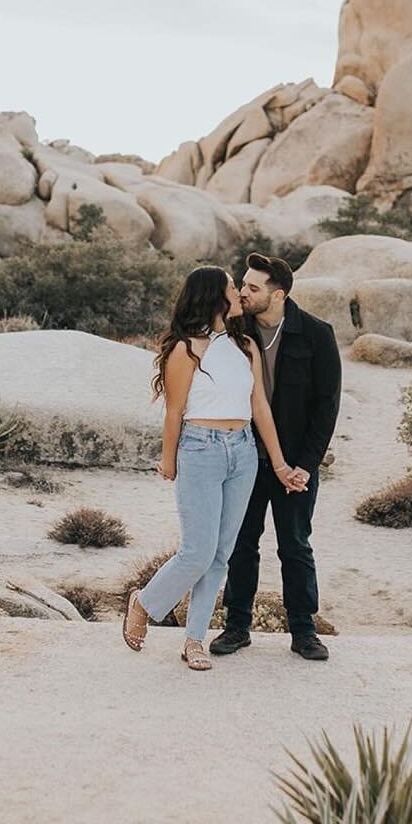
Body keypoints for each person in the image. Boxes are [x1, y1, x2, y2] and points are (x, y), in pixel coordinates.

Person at [121, 264, 307, 671]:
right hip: (199, 450)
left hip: (242, 453)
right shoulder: (183, 350)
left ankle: (194, 641)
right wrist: (168, 460)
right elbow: (174, 412)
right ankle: (145, 603)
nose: (240, 293)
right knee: (197, 551)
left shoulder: (246, 346)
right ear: (213, 297)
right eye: (232, 288)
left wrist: (278, 463)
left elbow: (259, 406)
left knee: (221, 554)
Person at [211, 252, 341, 661]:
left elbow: (327, 406)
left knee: (295, 546)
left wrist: (306, 465)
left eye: (253, 287)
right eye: (243, 286)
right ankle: (236, 627)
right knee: (241, 545)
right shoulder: (233, 332)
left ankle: (304, 632)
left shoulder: (317, 335)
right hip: (245, 459)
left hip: (296, 466)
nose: (244, 293)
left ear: (278, 294)